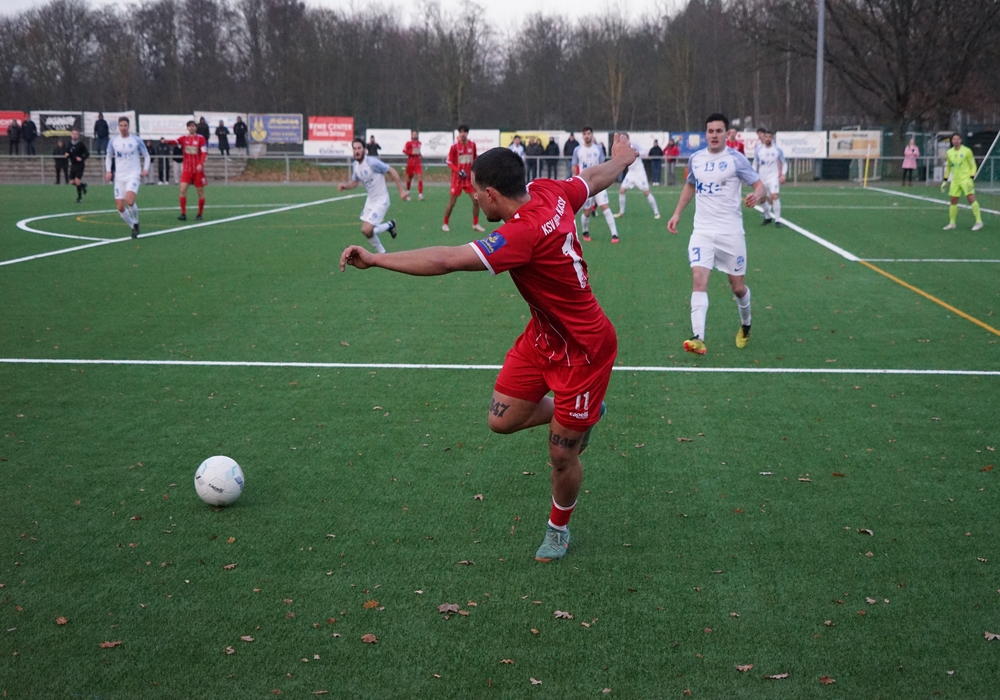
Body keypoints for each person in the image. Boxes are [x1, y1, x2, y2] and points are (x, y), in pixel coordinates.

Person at [339, 135, 637, 563]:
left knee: (561, 454)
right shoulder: (547, 191)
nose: (473, 197)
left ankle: (558, 529)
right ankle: (582, 414)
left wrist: (376, 259)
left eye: (475, 191)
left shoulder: (520, 234)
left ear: (492, 194)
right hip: (542, 336)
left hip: (585, 350)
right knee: (501, 419)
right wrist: (621, 159)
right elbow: (591, 177)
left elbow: (445, 260)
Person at [667, 113, 767, 355]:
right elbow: (690, 185)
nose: (714, 135)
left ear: (726, 134)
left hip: (731, 233)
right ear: (706, 134)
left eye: (719, 131)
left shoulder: (735, 159)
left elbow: (760, 185)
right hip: (702, 231)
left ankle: (746, 324)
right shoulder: (696, 159)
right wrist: (677, 213)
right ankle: (698, 337)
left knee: (737, 287)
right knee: (699, 280)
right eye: (710, 131)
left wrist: (757, 196)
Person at [337, 137, 408, 252]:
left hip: (381, 200)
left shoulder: (372, 163)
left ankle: (384, 251)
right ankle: (389, 230)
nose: (357, 151)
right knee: (367, 232)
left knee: (366, 229)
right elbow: (355, 182)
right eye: (354, 149)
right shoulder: (355, 165)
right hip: (370, 201)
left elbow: (391, 170)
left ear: (364, 150)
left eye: (359, 148)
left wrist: (401, 190)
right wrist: (345, 187)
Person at [572, 127, 621, 243]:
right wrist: (575, 179)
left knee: (605, 206)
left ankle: (615, 234)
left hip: (598, 183)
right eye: (584, 134)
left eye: (588, 133)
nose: (587, 136)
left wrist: (605, 179)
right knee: (587, 211)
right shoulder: (577, 150)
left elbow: (602, 165)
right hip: (585, 185)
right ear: (582, 136)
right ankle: (585, 232)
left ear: (592, 135)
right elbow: (574, 165)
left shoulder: (598, 149)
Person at [105, 116, 151, 239]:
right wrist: (108, 171)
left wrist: (145, 169)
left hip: (133, 174)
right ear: (118, 127)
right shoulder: (113, 141)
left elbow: (146, 156)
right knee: (120, 207)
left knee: (130, 201)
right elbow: (108, 157)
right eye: (121, 125)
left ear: (128, 126)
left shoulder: (136, 140)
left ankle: (136, 221)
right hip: (119, 177)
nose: (123, 128)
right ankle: (132, 226)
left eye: (125, 125)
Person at [442, 125, 484, 232]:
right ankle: (445, 223)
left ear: (467, 133)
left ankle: (475, 224)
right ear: (459, 133)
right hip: (457, 180)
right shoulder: (454, 147)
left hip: (469, 180)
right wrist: (458, 171)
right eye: (461, 132)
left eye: (465, 132)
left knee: (476, 201)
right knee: (452, 203)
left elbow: (475, 159)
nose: (463, 134)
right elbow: (449, 162)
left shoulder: (472, 145)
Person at [942, 132, 983, 231]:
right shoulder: (949, 152)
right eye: (954, 139)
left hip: (966, 179)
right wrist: (945, 180)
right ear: (951, 141)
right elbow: (948, 167)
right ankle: (952, 223)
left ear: (961, 140)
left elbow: (973, 166)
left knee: (971, 198)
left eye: (957, 139)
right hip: (955, 180)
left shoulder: (967, 151)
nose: (956, 141)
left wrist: (971, 178)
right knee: (953, 200)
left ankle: (979, 222)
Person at [614, 134, 660, 220]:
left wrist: (636, 153)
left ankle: (656, 212)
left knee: (646, 192)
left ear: (628, 139)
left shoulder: (634, 145)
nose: (622, 140)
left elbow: (644, 153)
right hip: (631, 172)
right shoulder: (622, 148)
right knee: (622, 191)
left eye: (624, 138)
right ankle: (621, 212)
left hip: (639, 172)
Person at [753, 129, 786, 227]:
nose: (768, 139)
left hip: (773, 176)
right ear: (763, 138)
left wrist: (783, 174)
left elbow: (784, 163)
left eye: (770, 137)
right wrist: (753, 175)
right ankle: (767, 217)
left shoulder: (777, 150)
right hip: (762, 177)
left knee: (774, 196)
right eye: (766, 137)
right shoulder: (759, 149)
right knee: (762, 199)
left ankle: (777, 220)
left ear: (772, 138)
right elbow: (755, 163)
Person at [177, 120, 207, 221]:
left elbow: (204, 152)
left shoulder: (201, 138)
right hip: (187, 170)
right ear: (187, 128)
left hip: (197, 171)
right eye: (189, 126)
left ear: (196, 127)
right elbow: (175, 141)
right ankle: (183, 214)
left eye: (193, 126)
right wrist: (165, 141)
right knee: (182, 190)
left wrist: (200, 164)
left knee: (200, 192)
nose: (191, 128)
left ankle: (199, 214)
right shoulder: (184, 138)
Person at [65, 128, 90, 202]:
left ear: (78, 135)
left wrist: (82, 158)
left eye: (76, 134)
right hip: (73, 165)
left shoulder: (81, 144)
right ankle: (83, 185)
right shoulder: (69, 143)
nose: (74, 135)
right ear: (71, 135)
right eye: (73, 134)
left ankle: (80, 198)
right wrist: (67, 155)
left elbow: (87, 154)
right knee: (72, 182)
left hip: (80, 165)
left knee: (77, 181)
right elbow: (67, 152)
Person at [402, 129, 424, 200]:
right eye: (413, 134)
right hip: (411, 162)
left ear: (417, 135)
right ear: (411, 135)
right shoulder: (408, 143)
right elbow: (404, 151)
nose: (414, 135)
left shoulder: (419, 143)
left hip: (418, 162)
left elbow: (418, 151)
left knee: (420, 176)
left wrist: (420, 155)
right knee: (409, 178)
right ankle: (408, 191)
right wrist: (411, 153)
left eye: (415, 134)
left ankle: (420, 195)